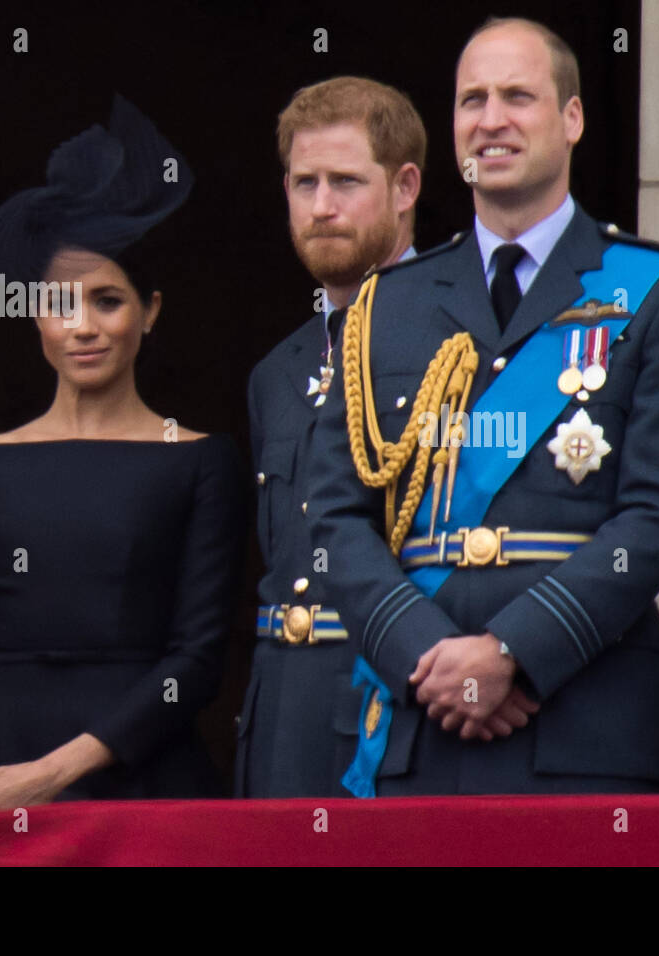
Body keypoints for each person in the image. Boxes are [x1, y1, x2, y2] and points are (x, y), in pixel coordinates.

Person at [308, 17, 659, 796]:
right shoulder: (382, 307)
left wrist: (512, 652)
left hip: (587, 726)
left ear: (571, 120)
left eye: (517, 97)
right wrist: (426, 654)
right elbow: (335, 519)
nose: (490, 119)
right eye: (472, 99)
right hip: (419, 725)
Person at [0, 95, 246, 810]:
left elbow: (195, 662)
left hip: (142, 784)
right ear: (33, 312)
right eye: (62, 301)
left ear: (149, 311)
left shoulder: (199, 461)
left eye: (107, 300)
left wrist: (53, 774)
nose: (84, 327)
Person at [236, 77, 424, 798]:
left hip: (396, 705)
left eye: (345, 181)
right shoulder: (274, 371)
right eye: (303, 182)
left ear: (405, 186)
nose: (321, 206)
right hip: (285, 711)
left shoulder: (461, 338)